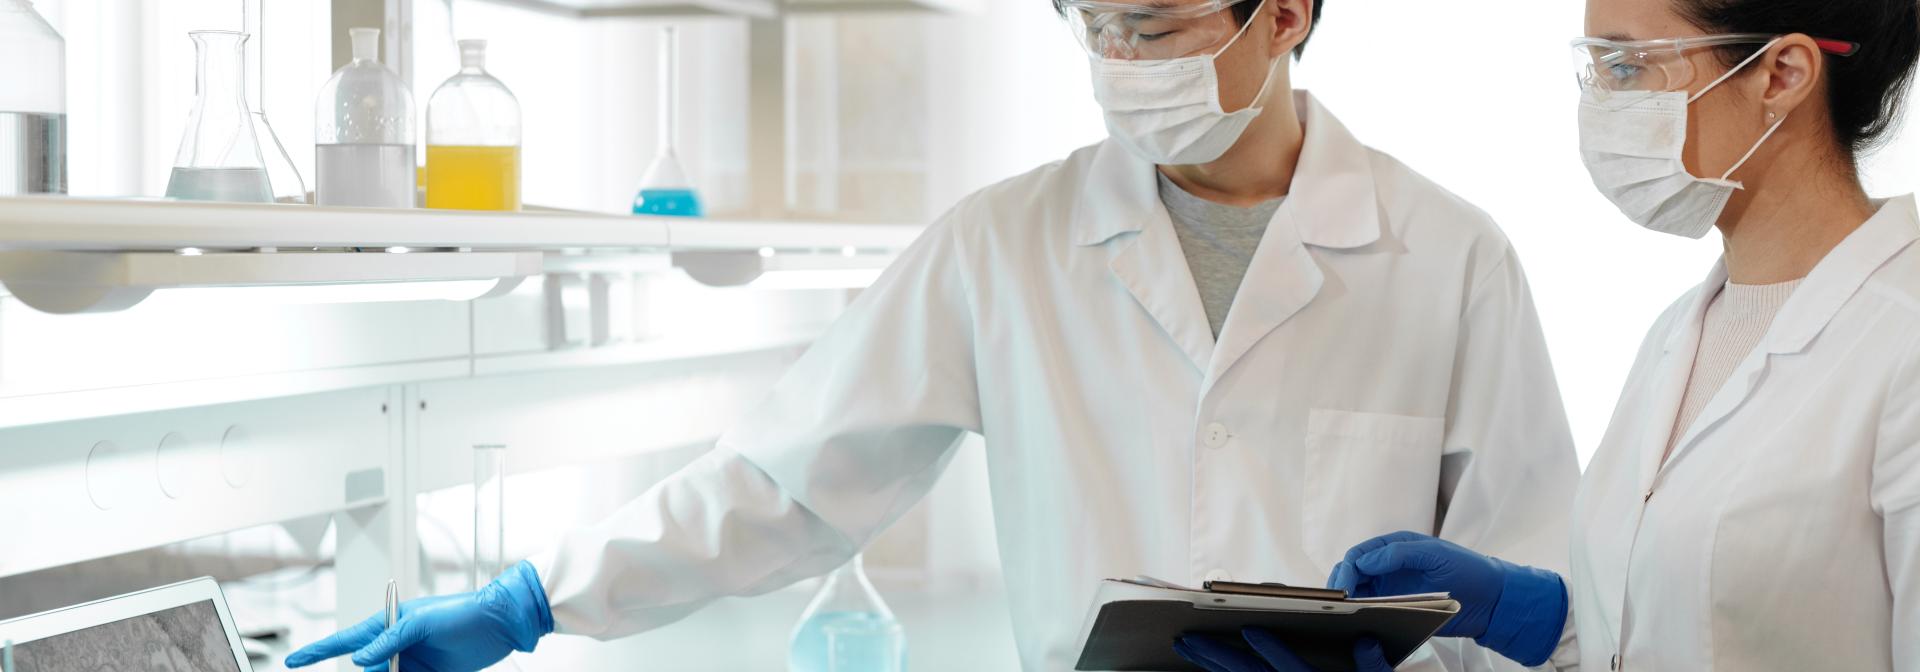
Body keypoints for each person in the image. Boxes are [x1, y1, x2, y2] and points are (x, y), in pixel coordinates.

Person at [285, 0, 1581, 669]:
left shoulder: (1451, 256)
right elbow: (787, 484)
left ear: (1289, 10)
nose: (1123, 55)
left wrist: (1516, 618)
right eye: (1098, 25)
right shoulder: (1004, 243)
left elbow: (1547, 589)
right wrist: (534, 601)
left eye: (1158, 24)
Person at [1184, 0, 1920, 670]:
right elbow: (1667, 633)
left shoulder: (1902, 343)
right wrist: (1537, 619)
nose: (1598, 105)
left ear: (1781, 74)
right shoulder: (1684, 333)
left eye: (1627, 65)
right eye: (1592, 68)